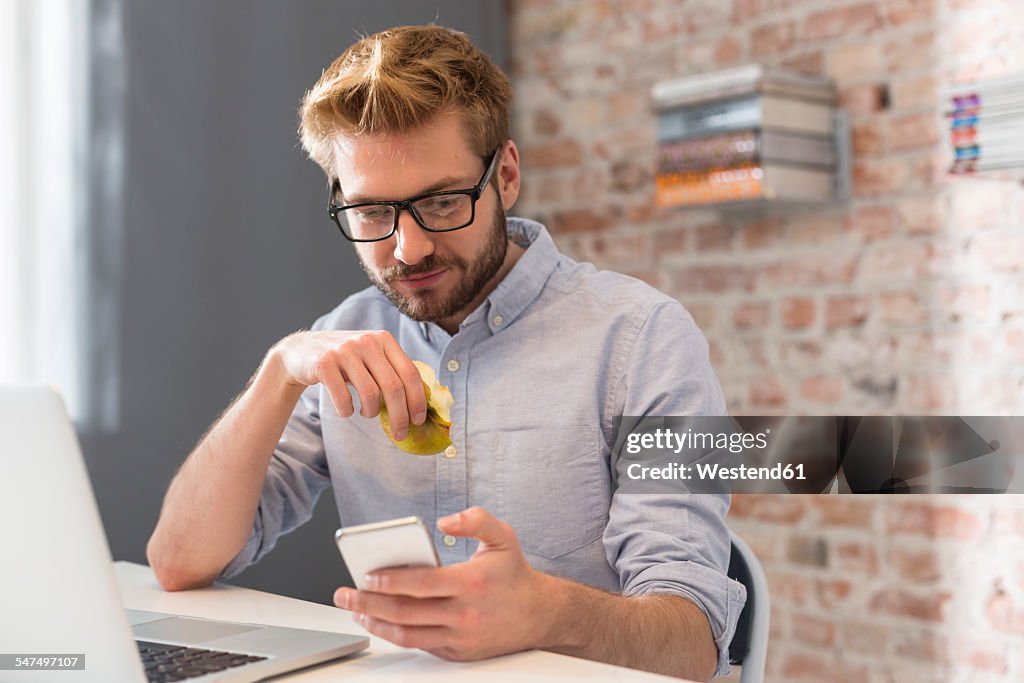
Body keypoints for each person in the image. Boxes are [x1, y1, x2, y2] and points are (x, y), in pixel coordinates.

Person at [147, 24, 745, 681]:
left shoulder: (646, 338)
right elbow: (179, 561)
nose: (409, 248)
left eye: (440, 201)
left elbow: (694, 644)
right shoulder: (345, 336)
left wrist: (547, 611)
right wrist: (279, 369)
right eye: (373, 212)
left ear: (506, 176)